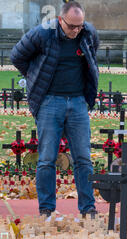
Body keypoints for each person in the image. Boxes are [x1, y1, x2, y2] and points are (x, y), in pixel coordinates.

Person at [10, 1, 100, 218]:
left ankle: (88, 208)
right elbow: (17, 56)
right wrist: (34, 78)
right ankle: (46, 209)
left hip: (78, 102)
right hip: (50, 102)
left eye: (80, 26)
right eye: (71, 26)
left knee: (83, 158)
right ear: (60, 20)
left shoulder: (88, 33)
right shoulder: (42, 34)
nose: (76, 30)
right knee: (47, 159)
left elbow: (91, 55)